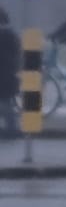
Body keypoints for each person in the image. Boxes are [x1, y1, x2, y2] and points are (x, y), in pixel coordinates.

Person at [0, 7, 19, 138]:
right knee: (6, 103)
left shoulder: (4, 35)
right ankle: (12, 129)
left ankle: (12, 130)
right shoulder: (10, 34)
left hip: (4, 75)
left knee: (5, 103)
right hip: (8, 74)